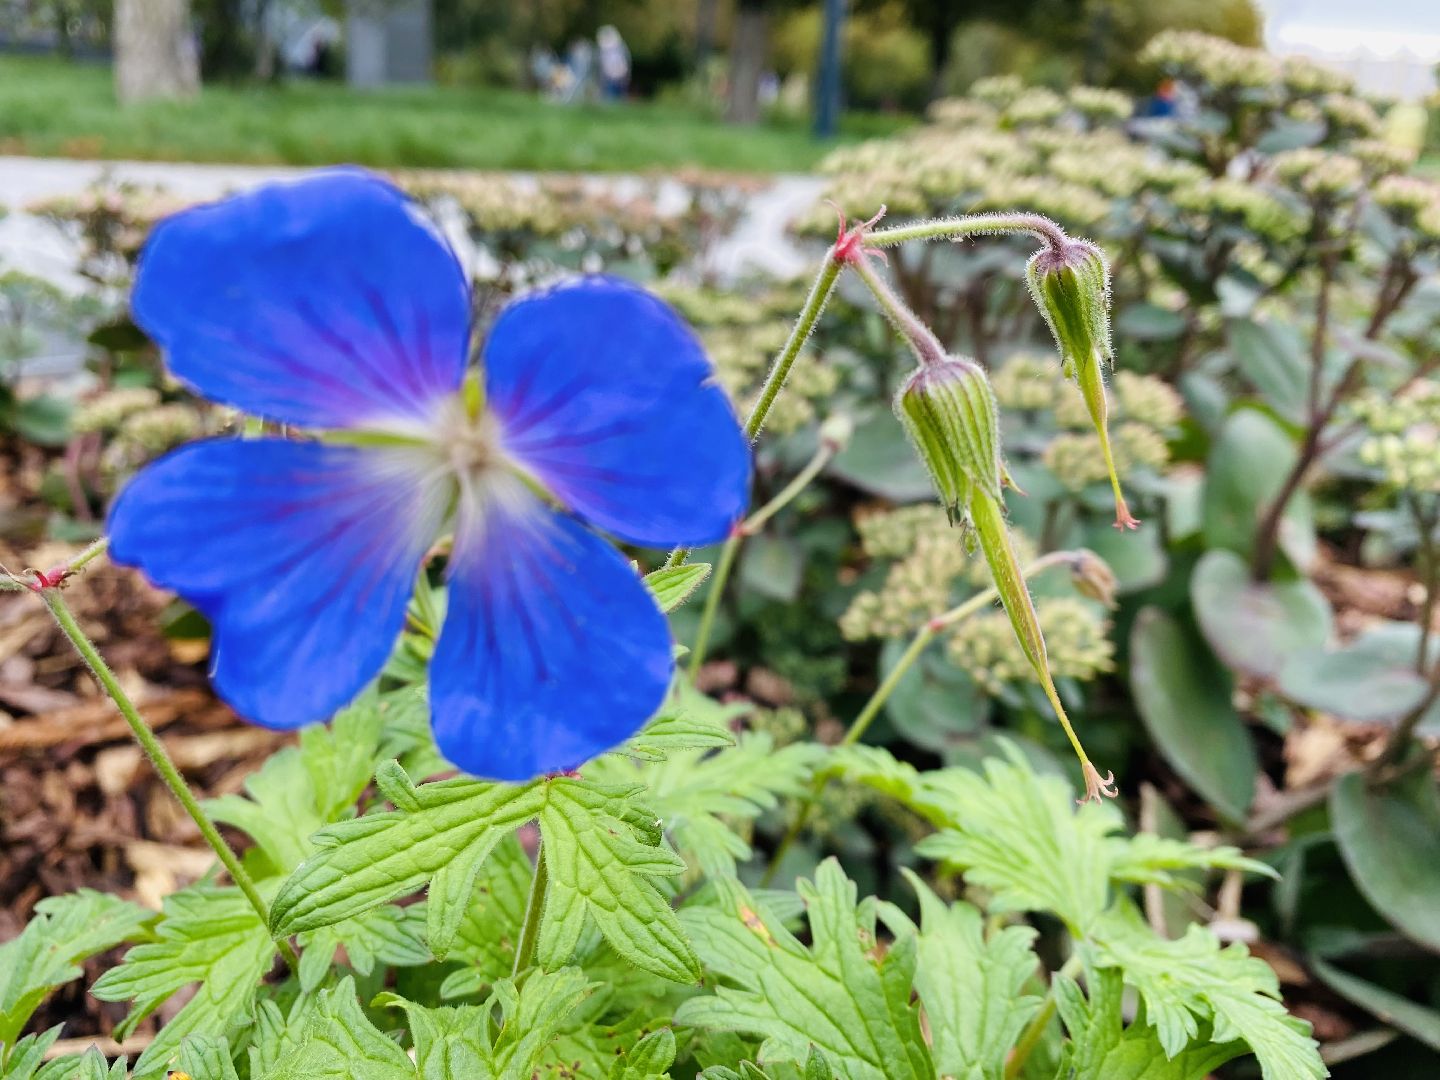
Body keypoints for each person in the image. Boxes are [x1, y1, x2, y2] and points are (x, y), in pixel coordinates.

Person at [597, 25, 630, 102]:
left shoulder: (620, 47)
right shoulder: (604, 50)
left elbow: (624, 63)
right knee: (609, 98)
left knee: (617, 98)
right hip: (608, 76)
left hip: (618, 76)